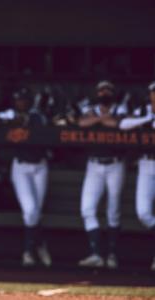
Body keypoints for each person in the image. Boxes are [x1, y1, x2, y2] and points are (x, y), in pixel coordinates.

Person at [0, 87, 52, 267]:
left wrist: (24, 121)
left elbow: (46, 128)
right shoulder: (10, 114)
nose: (21, 103)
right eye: (18, 100)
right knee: (31, 210)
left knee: (35, 213)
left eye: (24, 99)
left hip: (40, 166)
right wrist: (7, 122)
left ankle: (37, 244)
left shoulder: (37, 116)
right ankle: (30, 250)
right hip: (21, 167)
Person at [77, 80, 127, 269]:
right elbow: (82, 123)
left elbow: (119, 123)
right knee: (87, 209)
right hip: (94, 164)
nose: (104, 93)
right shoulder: (91, 109)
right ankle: (96, 253)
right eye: (101, 90)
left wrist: (99, 121)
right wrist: (100, 120)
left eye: (107, 90)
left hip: (115, 164)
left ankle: (112, 255)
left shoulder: (120, 107)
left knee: (113, 212)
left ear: (113, 93)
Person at [119, 81, 155, 271]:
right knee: (143, 213)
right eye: (154, 93)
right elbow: (123, 124)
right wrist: (146, 120)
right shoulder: (144, 111)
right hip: (146, 163)